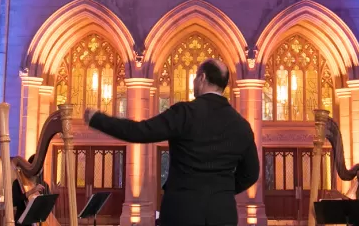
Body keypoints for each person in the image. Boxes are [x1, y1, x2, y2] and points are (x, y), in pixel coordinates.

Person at [84, 59, 259, 226]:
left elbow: (139, 131)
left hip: (182, 212)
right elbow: (251, 174)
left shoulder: (184, 113)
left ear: (202, 78)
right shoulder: (242, 125)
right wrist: (223, 190)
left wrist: (97, 119)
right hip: (222, 213)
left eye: (195, 77)